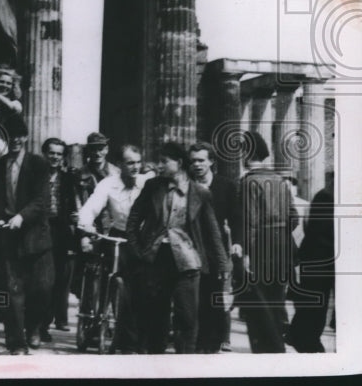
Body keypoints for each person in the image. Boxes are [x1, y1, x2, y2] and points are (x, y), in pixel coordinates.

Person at [125, 142, 227, 354]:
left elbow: (213, 232)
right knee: (156, 316)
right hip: (156, 259)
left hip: (188, 262)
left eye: (164, 162)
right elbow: (133, 220)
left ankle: (184, 364)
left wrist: (223, 265)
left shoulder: (200, 193)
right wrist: (137, 250)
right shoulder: (153, 186)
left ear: (179, 163)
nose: (159, 166)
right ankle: (156, 363)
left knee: (187, 317)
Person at [0, 132, 53, 355]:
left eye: (18, 136)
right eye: (10, 136)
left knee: (42, 289)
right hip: (7, 236)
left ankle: (34, 328)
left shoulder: (38, 164)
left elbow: (42, 200)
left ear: (26, 137)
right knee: (13, 292)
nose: (15, 140)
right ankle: (16, 342)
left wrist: (22, 216)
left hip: (36, 237)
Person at [77, 144, 151, 353]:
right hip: (118, 235)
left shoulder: (147, 183)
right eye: (130, 163)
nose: (135, 167)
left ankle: (137, 334)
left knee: (142, 285)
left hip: (141, 239)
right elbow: (90, 207)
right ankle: (98, 318)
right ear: (120, 165)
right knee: (106, 277)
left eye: (138, 162)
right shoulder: (108, 184)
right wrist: (86, 225)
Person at [235, 130, 298, 353]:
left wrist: (247, 256)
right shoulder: (280, 180)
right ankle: (276, 349)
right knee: (276, 301)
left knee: (257, 305)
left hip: (260, 246)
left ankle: (270, 352)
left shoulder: (248, 182)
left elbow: (249, 222)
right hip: (282, 245)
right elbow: (294, 216)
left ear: (246, 154)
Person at [188, 141, 243, 353]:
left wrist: (237, 242)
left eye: (201, 160)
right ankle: (193, 340)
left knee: (213, 295)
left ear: (211, 161)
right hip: (188, 247)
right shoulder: (185, 184)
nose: (197, 165)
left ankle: (210, 344)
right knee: (191, 296)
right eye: (193, 161)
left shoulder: (225, 186)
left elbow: (236, 217)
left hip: (215, 249)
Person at [287, 171, 335, 353]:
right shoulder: (326, 196)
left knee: (314, 311)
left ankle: (300, 337)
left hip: (322, 261)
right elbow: (318, 235)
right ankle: (306, 345)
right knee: (313, 311)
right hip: (319, 261)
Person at [39, 137, 78, 341]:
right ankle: (35, 324)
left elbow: (72, 205)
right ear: (44, 153)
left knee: (54, 282)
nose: (55, 157)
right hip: (37, 230)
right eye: (51, 152)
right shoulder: (34, 175)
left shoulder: (68, 178)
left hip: (59, 232)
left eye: (59, 154)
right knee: (39, 281)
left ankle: (44, 325)